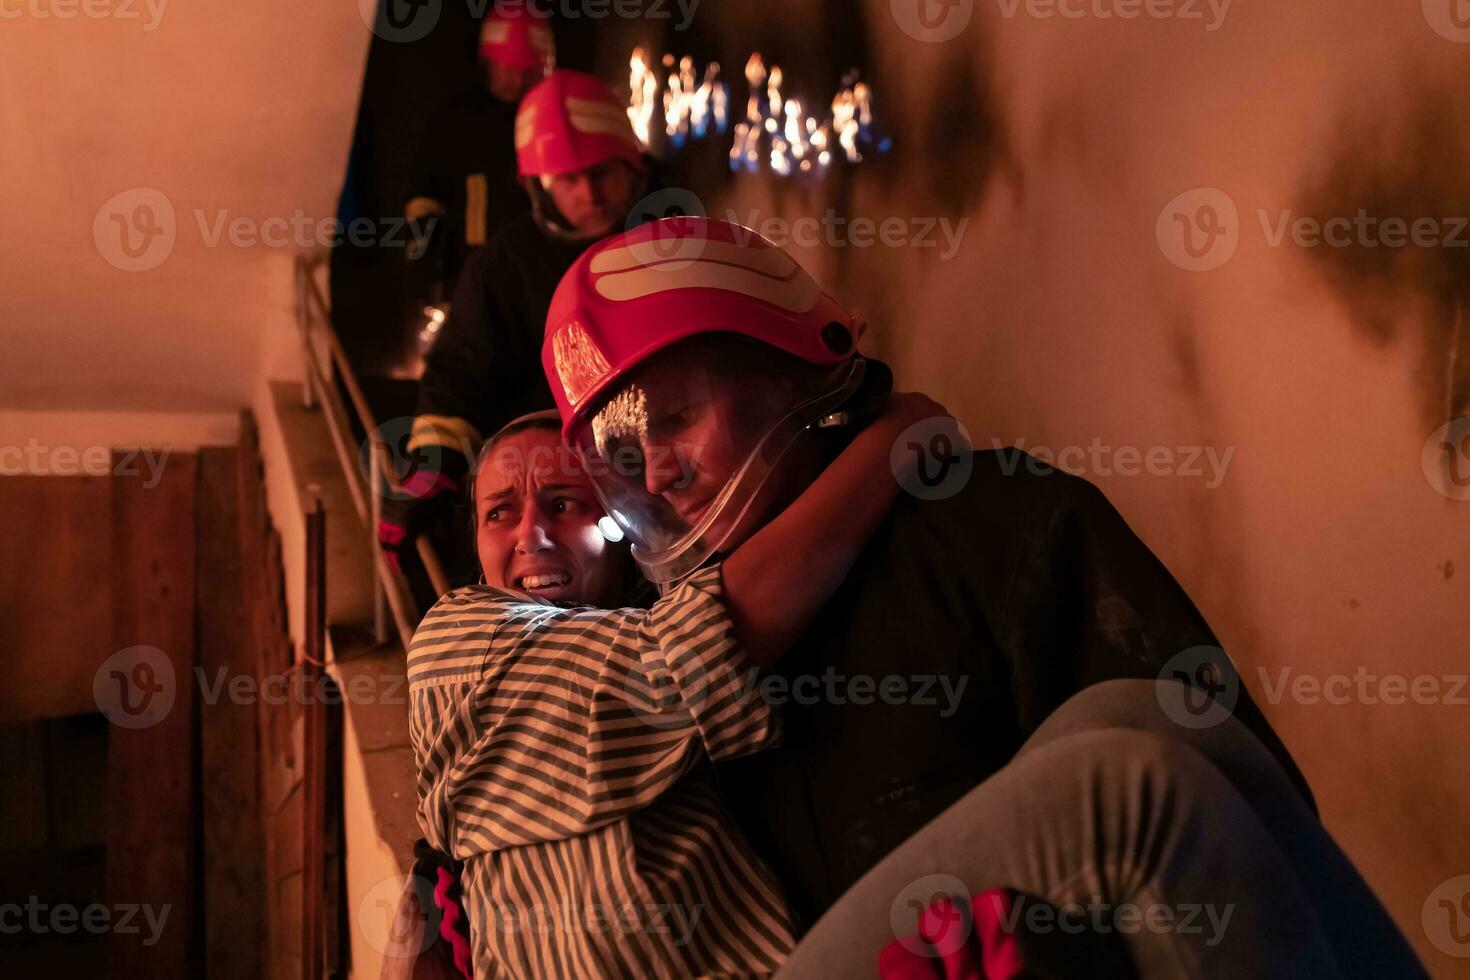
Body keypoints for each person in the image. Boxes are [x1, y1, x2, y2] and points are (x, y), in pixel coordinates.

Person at [534, 216, 1425, 975]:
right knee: (1128, 780)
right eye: (623, 454)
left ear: (785, 369)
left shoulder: (990, 524)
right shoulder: (651, 650)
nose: (654, 469)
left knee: (1154, 730)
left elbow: (1248, 821)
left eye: (676, 418)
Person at [405, 393, 944, 979]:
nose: (530, 535)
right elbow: (682, 656)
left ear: (620, 525)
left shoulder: (639, 620)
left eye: (563, 503)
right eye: (498, 514)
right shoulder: (455, 639)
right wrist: (897, 436)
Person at [380, 69, 652, 589]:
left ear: (633, 166)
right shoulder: (505, 264)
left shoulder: (675, 236)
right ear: (538, 187)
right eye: (569, 179)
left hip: (665, 480)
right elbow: (461, 369)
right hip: (557, 489)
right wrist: (431, 466)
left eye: (602, 172)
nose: (589, 193)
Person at [402, 6, 553, 310]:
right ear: (488, 62)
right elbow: (425, 193)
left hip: (541, 277)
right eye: (508, 67)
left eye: (528, 70)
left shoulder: (552, 121)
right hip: (471, 278)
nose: (518, 78)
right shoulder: (456, 122)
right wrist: (424, 252)